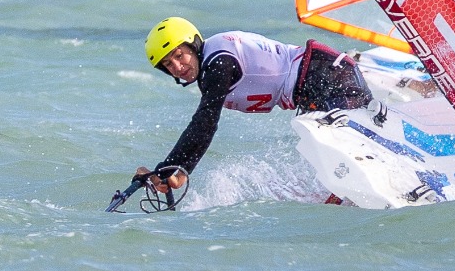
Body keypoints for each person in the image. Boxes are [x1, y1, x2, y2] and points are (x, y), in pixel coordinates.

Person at [129, 17, 373, 193]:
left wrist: (168, 168)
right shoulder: (209, 69)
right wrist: (180, 169)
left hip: (328, 76)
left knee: (352, 159)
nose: (178, 67)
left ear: (193, 45)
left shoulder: (219, 63)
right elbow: (204, 124)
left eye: (179, 55)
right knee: (337, 162)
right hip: (317, 87)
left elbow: (205, 122)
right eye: (168, 64)